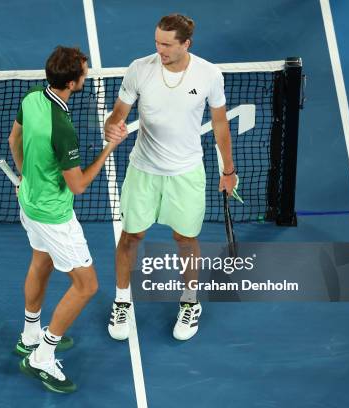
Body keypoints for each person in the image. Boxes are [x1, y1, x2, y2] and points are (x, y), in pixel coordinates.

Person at [104, 14, 237, 341]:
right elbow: (118, 113)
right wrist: (112, 125)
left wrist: (229, 170)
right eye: (157, 42)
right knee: (130, 237)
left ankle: (190, 302)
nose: (159, 49)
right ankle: (122, 300)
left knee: (185, 239)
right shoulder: (139, 68)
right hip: (143, 171)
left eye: (166, 44)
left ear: (185, 44)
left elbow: (220, 124)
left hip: (186, 173)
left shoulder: (208, 74)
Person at [8, 46, 127, 393]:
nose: (86, 77)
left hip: (29, 203)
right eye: (84, 74)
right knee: (87, 285)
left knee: (40, 262)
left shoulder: (32, 97)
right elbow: (78, 186)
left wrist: (25, 178)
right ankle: (42, 356)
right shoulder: (62, 129)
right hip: (54, 216)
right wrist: (110, 146)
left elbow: (14, 139)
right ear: (73, 83)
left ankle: (30, 334)